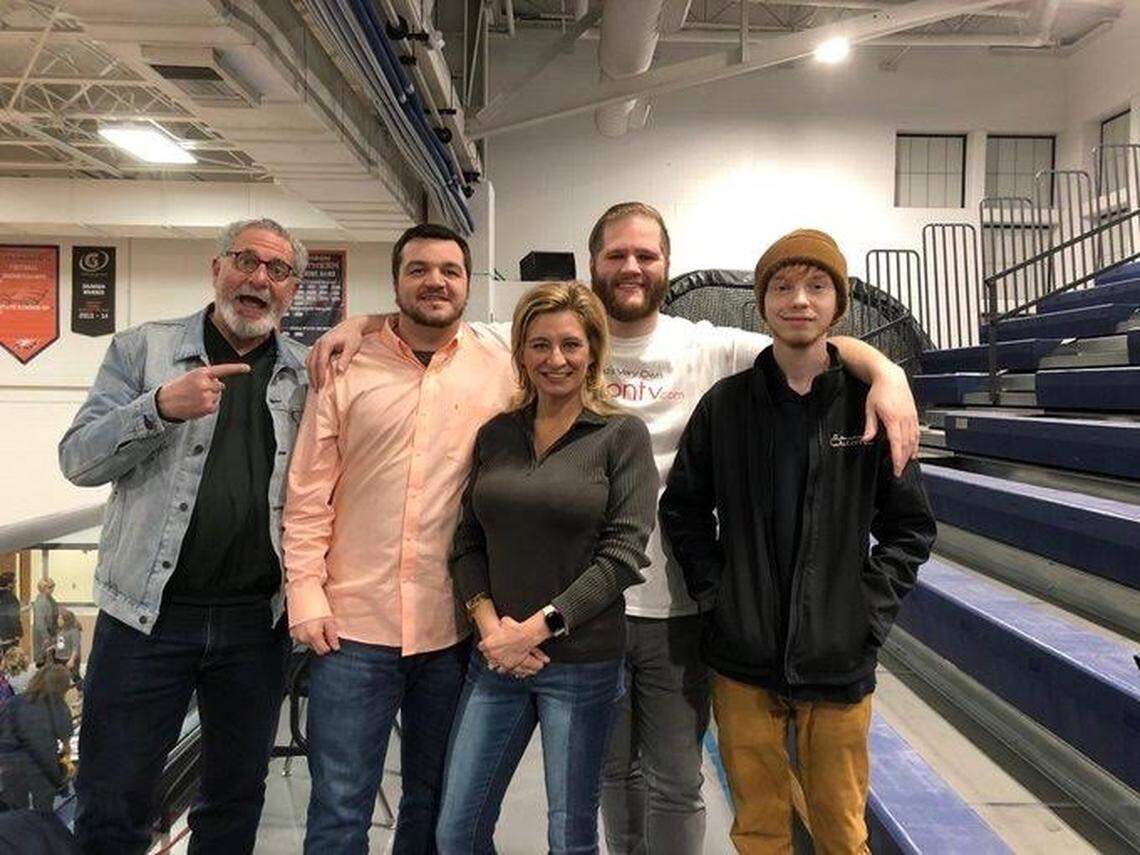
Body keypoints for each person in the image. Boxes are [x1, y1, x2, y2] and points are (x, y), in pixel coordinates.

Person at [307, 202, 919, 855]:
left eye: (646, 255)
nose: (631, 267)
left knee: (675, 784)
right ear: (592, 263)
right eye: (617, 255)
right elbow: (433, 318)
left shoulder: (705, 345)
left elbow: (807, 336)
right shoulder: (537, 336)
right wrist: (360, 322)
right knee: (608, 779)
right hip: (580, 620)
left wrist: (887, 371)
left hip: (671, 612)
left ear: (666, 266)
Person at [660, 230, 936, 854]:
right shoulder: (726, 406)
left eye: (816, 286)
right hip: (742, 657)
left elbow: (910, 526)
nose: (799, 301)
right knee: (758, 826)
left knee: (841, 828)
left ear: (837, 306)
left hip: (838, 658)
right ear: (763, 303)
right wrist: (718, 595)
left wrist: (866, 615)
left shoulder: (871, 407)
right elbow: (683, 509)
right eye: (782, 287)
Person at [58, 217, 309, 855]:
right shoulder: (143, 351)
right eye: (246, 261)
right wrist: (157, 408)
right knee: (113, 800)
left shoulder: (305, 377)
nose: (258, 279)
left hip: (256, 625)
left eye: (277, 271)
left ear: (292, 289)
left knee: (232, 802)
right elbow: (78, 461)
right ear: (217, 268)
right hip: (145, 619)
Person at [284, 223, 517, 854]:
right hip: (351, 630)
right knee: (339, 807)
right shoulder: (346, 366)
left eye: (450, 270)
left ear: (469, 283)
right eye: (418, 269)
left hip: (451, 628)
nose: (435, 282)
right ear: (396, 282)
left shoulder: (501, 367)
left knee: (436, 801)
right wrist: (305, 595)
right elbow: (307, 495)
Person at [436, 282, 657, 854]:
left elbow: (624, 554)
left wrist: (535, 630)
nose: (554, 360)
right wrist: (492, 632)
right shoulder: (497, 434)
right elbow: (467, 543)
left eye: (569, 345)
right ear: (521, 352)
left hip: (581, 664)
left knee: (570, 834)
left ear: (592, 351)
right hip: (497, 660)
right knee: (456, 829)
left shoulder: (620, 435)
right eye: (539, 345)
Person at [0, 663, 73, 813]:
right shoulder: (58, 706)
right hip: (41, 766)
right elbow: (66, 742)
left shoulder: (14, 702)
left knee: (16, 813)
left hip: (10, 765)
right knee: (44, 813)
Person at [52, 610, 82, 693]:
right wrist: (53, 647)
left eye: (60, 618)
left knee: (75, 677)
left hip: (69, 658)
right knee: (59, 678)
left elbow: (75, 647)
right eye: (58, 618)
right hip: (60, 658)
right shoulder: (61, 631)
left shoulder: (74, 631)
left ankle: (82, 694)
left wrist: (72, 660)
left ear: (66, 620)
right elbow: (61, 644)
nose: (58, 620)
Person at [32, 580, 59, 669]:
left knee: (52, 659)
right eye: (50, 587)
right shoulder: (40, 602)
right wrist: (46, 637)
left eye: (53, 587)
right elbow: (40, 622)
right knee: (43, 660)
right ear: (42, 588)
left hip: (51, 633)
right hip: (44, 635)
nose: (52, 589)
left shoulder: (50, 599)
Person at [0, 574, 21, 656]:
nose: (15, 584)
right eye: (15, 581)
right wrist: (17, 633)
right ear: (9, 584)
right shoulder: (11, 598)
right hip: (9, 636)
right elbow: (13, 618)